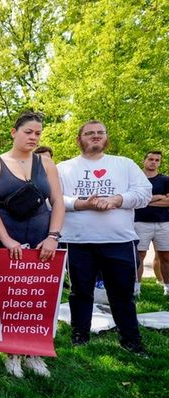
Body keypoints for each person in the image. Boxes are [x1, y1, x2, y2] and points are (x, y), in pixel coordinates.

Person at [0, 112, 64, 378]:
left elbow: (58, 202)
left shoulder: (46, 163)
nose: (33, 137)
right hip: (7, 232)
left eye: (38, 133)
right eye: (29, 132)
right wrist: (6, 240)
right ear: (14, 132)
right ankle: (12, 353)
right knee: (11, 296)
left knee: (39, 296)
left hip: (42, 235)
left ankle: (35, 353)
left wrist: (53, 236)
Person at [57, 120, 151, 356]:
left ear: (106, 138)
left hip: (119, 240)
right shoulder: (64, 168)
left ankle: (131, 340)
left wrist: (116, 200)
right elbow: (55, 200)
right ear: (79, 140)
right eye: (89, 133)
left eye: (100, 133)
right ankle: (80, 336)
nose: (96, 136)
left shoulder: (124, 164)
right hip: (79, 241)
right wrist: (82, 204)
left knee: (122, 293)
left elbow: (144, 193)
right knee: (80, 292)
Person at [133, 151, 169, 296]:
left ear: (160, 163)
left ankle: (167, 288)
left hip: (164, 223)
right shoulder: (137, 179)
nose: (153, 162)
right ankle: (136, 288)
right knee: (139, 255)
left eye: (157, 160)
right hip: (141, 222)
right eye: (151, 159)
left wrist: (146, 201)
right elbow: (134, 201)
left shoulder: (166, 180)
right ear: (144, 161)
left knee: (166, 256)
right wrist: (158, 198)